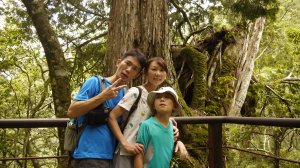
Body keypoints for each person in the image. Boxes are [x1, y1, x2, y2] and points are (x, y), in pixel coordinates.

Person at [67, 50, 147, 168]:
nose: (129, 69)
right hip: (89, 155)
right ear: (118, 62)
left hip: (113, 156)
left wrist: (170, 124)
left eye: (135, 69)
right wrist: (102, 96)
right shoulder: (95, 82)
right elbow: (72, 111)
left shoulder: (127, 94)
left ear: (137, 75)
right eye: (127, 63)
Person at [108, 57, 187, 168]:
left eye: (161, 70)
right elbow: (112, 116)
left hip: (146, 154)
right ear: (145, 72)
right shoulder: (136, 92)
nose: (157, 73)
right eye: (154, 69)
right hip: (127, 151)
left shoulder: (158, 99)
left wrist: (176, 138)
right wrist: (124, 143)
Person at [134, 86, 183, 168]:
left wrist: (179, 142)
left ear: (174, 105)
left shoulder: (172, 128)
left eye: (167, 97)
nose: (162, 99)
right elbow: (138, 156)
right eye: (158, 97)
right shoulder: (146, 126)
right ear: (153, 105)